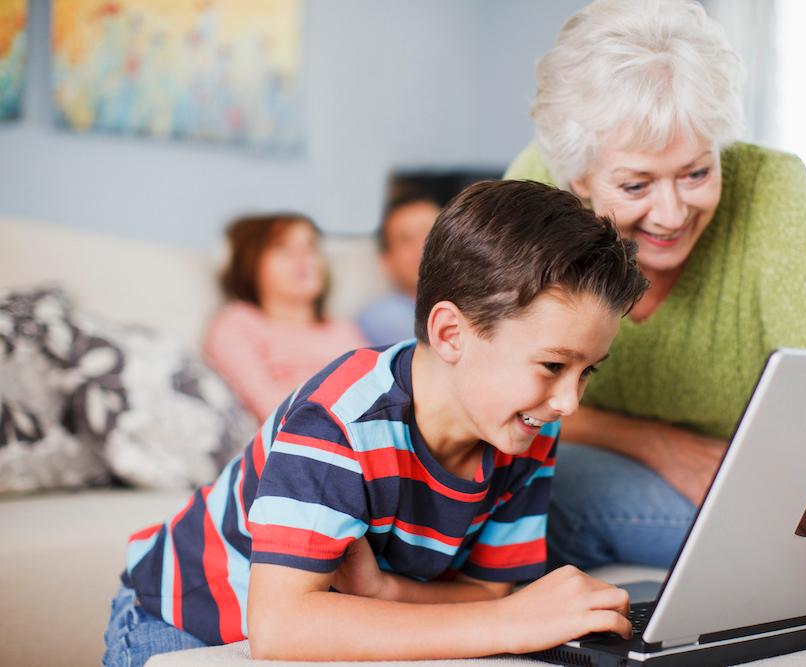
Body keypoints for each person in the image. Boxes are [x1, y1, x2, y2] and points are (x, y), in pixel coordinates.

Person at [505, 0, 806, 653]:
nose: (672, 212)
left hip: (736, 482)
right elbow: (501, 397)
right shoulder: (535, 196)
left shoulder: (771, 190)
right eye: (635, 185)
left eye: (696, 172)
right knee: (529, 490)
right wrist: (658, 443)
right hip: (567, 457)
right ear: (578, 181)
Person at [101, 180, 650, 665]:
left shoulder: (528, 426)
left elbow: (486, 592)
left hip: (336, 613)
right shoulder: (338, 421)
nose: (569, 402)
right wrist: (513, 622)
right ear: (451, 334)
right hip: (180, 620)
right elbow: (281, 625)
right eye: (553, 365)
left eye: (586, 372)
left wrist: (389, 594)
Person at [203, 213, 368, 422]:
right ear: (250, 262)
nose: (304, 258)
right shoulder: (237, 323)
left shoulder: (342, 328)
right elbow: (266, 405)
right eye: (283, 248)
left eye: (311, 246)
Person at [357, 191, 440, 346]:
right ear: (387, 261)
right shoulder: (384, 316)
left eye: (431, 234)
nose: (422, 247)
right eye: (406, 239)